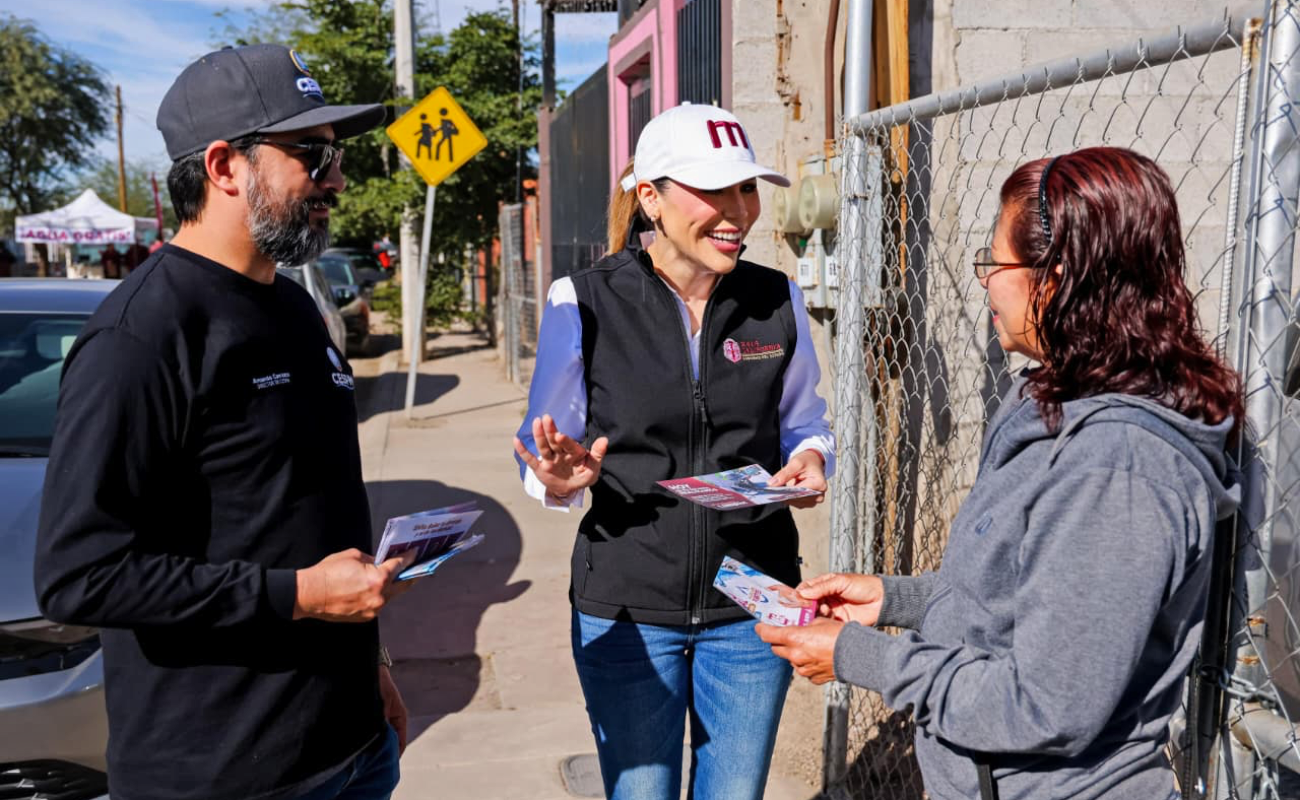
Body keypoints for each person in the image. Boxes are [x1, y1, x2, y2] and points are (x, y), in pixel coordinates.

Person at [757, 147, 1246, 800]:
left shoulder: (1119, 469)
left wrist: (858, 655)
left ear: (1057, 277)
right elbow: (1029, 596)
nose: (985, 280)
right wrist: (891, 599)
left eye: (996, 263)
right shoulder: (1051, 397)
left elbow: (1047, 707)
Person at [34, 44, 409, 800]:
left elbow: (304, 514)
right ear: (223, 167)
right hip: (228, 773)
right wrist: (300, 596)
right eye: (311, 153)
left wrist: (373, 665)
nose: (336, 178)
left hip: (352, 747)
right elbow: (80, 575)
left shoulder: (296, 307)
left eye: (334, 154)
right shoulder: (140, 338)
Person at [512, 103, 836, 800]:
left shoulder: (776, 299)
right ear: (650, 198)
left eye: (746, 188)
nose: (737, 211)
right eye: (713, 190)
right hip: (629, 608)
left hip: (753, 602)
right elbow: (540, 450)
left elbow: (807, 423)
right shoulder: (585, 302)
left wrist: (811, 460)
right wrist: (558, 476)